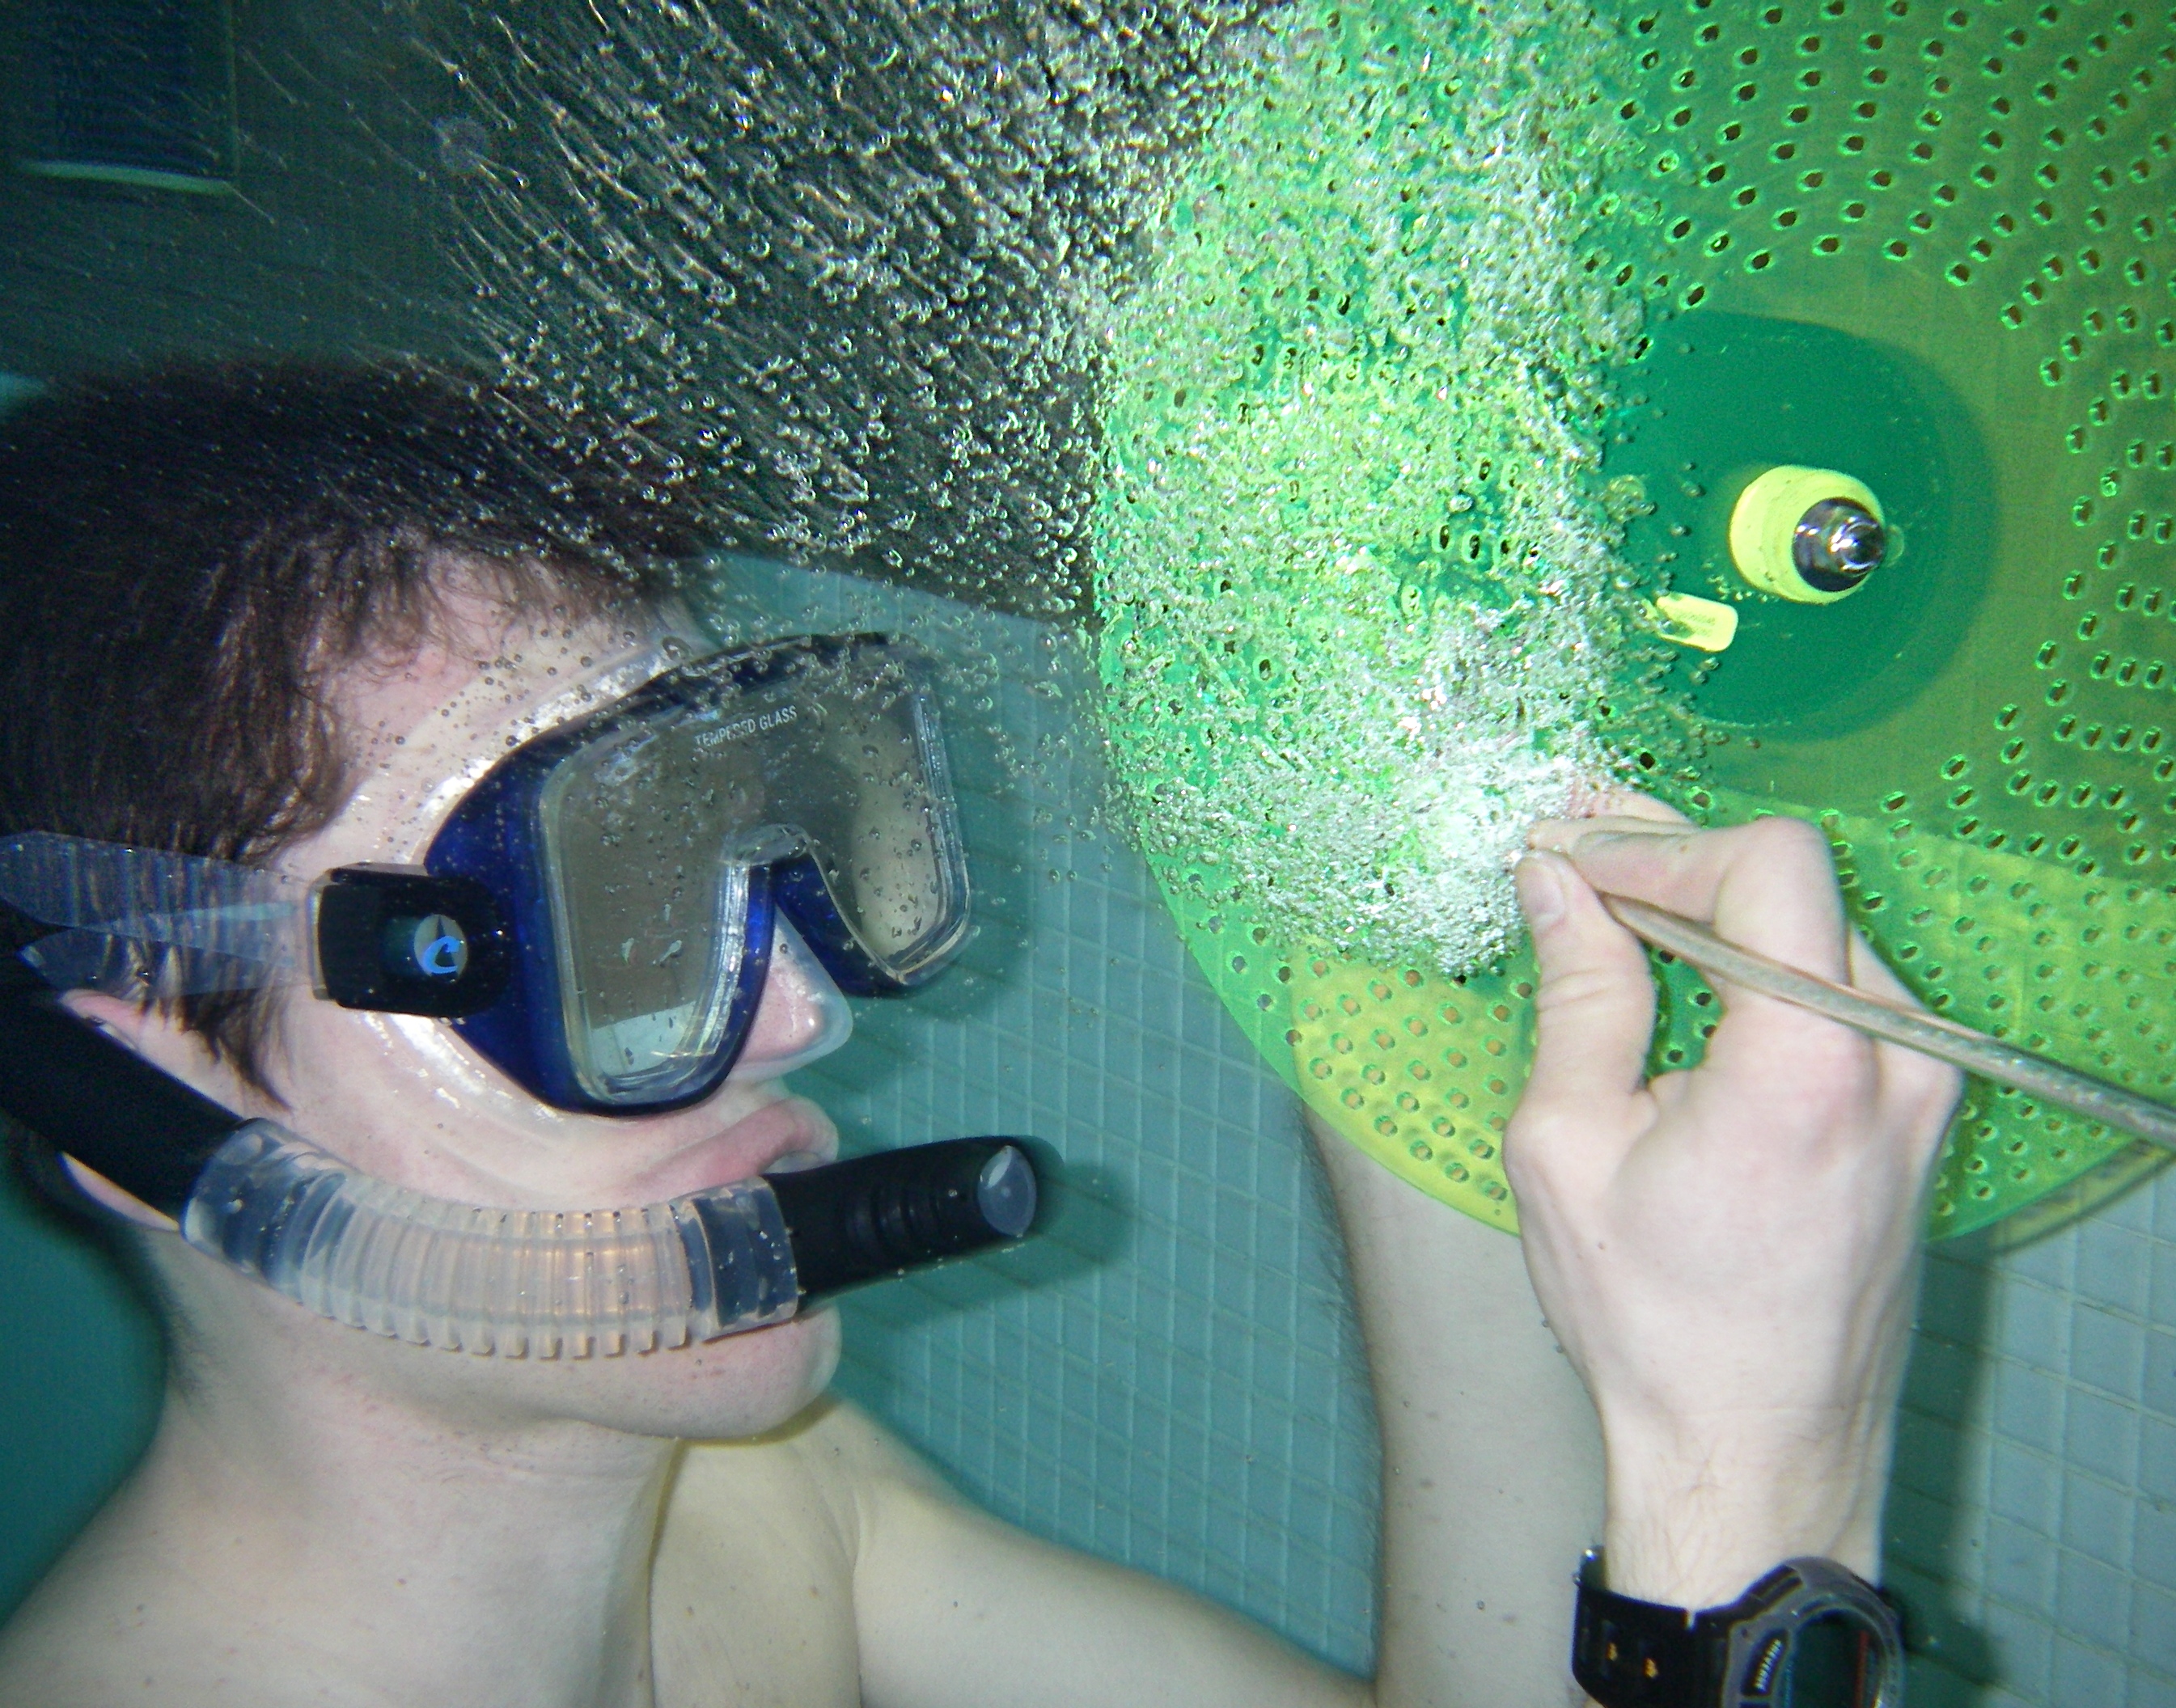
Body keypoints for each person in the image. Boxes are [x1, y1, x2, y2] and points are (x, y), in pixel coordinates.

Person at [0, 361, 1958, 1707]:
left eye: (764, 823)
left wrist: (1392, 997)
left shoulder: (774, 1514)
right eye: (599, 915)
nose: (798, 1012)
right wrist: (1764, 1497)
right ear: (151, 1092)